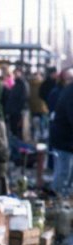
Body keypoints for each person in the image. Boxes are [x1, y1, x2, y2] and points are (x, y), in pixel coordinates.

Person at [50, 69, 73, 197]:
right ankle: (56, 205)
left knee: (66, 177)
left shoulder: (69, 90)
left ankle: (61, 203)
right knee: (63, 176)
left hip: (65, 140)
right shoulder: (71, 93)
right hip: (65, 141)